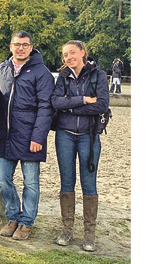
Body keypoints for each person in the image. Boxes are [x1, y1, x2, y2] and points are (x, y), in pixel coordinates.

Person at [0, 31, 55, 240]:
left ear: (31, 47)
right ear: (10, 46)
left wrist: (38, 137)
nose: (20, 48)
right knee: (2, 179)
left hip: (30, 137)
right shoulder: (2, 70)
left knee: (31, 183)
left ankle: (27, 222)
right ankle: (13, 217)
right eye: (17, 44)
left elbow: (46, 107)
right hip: (5, 134)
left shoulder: (41, 73)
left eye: (25, 45)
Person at [51, 40, 109, 252]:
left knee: (89, 184)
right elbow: (56, 103)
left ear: (83, 53)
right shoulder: (63, 77)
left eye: (72, 53)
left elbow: (102, 104)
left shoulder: (98, 75)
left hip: (89, 136)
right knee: (67, 183)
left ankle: (89, 234)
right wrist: (84, 100)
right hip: (65, 135)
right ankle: (67, 230)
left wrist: (72, 108)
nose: (68, 58)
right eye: (65, 55)